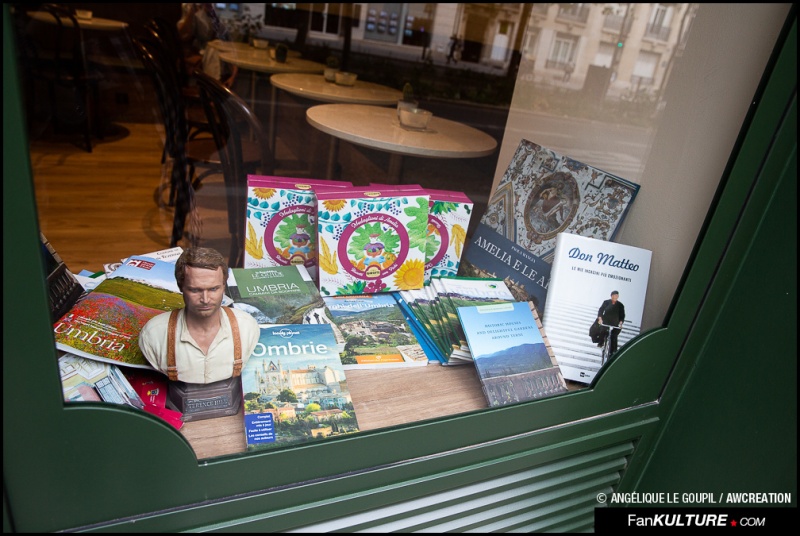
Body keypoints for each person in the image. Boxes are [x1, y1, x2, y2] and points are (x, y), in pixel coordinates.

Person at [139, 247, 260, 384]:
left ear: (224, 287)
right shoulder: (154, 333)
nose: (205, 299)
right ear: (180, 287)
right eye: (195, 290)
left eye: (213, 289)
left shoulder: (247, 326)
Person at [177, 3, 238, 88]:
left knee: (216, 46)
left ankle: (214, 91)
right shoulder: (194, 10)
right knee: (213, 48)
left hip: (222, 58)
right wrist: (191, 12)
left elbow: (231, 45)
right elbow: (182, 35)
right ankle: (213, 91)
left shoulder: (221, 13)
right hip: (202, 55)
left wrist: (233, 76)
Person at [596, 290, 625, 356]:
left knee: (614, 336)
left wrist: (620, 323)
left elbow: (622, 315)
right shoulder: (606, 302)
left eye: (617, 296)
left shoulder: (620, 305)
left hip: (615, 323)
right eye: (614, 295)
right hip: (606, 321)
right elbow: (601, 310)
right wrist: (600, 318)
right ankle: (601, 342)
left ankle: (613, 352)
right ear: (611, 296)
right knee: (602, 330)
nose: (615, 297)